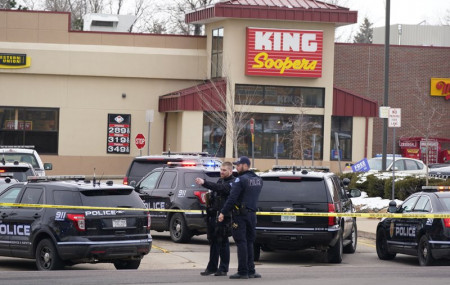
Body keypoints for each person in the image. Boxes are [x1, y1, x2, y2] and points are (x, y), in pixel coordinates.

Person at [218, 156, 263, 279]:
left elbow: (232, 199)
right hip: (252, 215)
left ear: (245, 165)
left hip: (240, 216)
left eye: (238, 165)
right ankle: (251, 270)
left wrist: (223, 212)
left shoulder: (240, 180)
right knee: (249, 242)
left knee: (241, 242)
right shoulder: (258, 179)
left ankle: (243, 271)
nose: (236, 167)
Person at [195, 161, 234, 277]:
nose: (221, 172)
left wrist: (204, 182)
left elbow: (221, 189)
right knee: (213, 241)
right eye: (221, 170)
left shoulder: (232, 183)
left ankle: (223, 268)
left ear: (230, 171)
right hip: (214, 215)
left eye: (224, 170)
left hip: (224, 217)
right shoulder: (220, 180)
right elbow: (216, 191)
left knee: (223, 242)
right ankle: (212, 267)